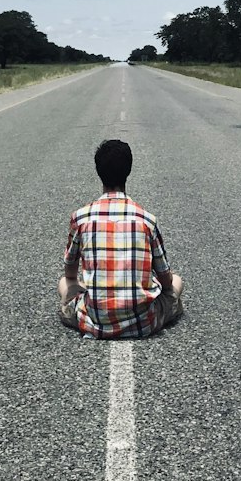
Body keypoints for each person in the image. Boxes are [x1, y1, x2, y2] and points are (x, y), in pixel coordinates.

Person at [58, 138, 184, 339]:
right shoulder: (146, 219)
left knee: (66, 282)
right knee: (177, 282)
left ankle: (92, 307)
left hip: (95, 321)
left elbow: (70, 271)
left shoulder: (81, 217)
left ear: (99, 171)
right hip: (143, 322)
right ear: (129, 170)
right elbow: (165, 278)